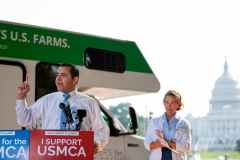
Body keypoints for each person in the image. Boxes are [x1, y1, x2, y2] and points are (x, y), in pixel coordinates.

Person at [15, 63, 109, 154]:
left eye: (63, 75)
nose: (58, 79)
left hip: (77, 153)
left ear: (74, 80)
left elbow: (101, 129)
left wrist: (97, 143)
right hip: (50, 153)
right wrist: (21, 96)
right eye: (57, 75)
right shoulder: (46, 100)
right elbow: (24, 121)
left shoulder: (89, 102)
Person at [144, 90, 191, 160]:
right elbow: (147, 143)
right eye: (167, 102)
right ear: (164, 103)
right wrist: (156, 144)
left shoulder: (184, 123)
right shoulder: (153, 122)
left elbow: (187, 146)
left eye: (172, 103)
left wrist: (168, 143)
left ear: (178, 104)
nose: (169, 106)